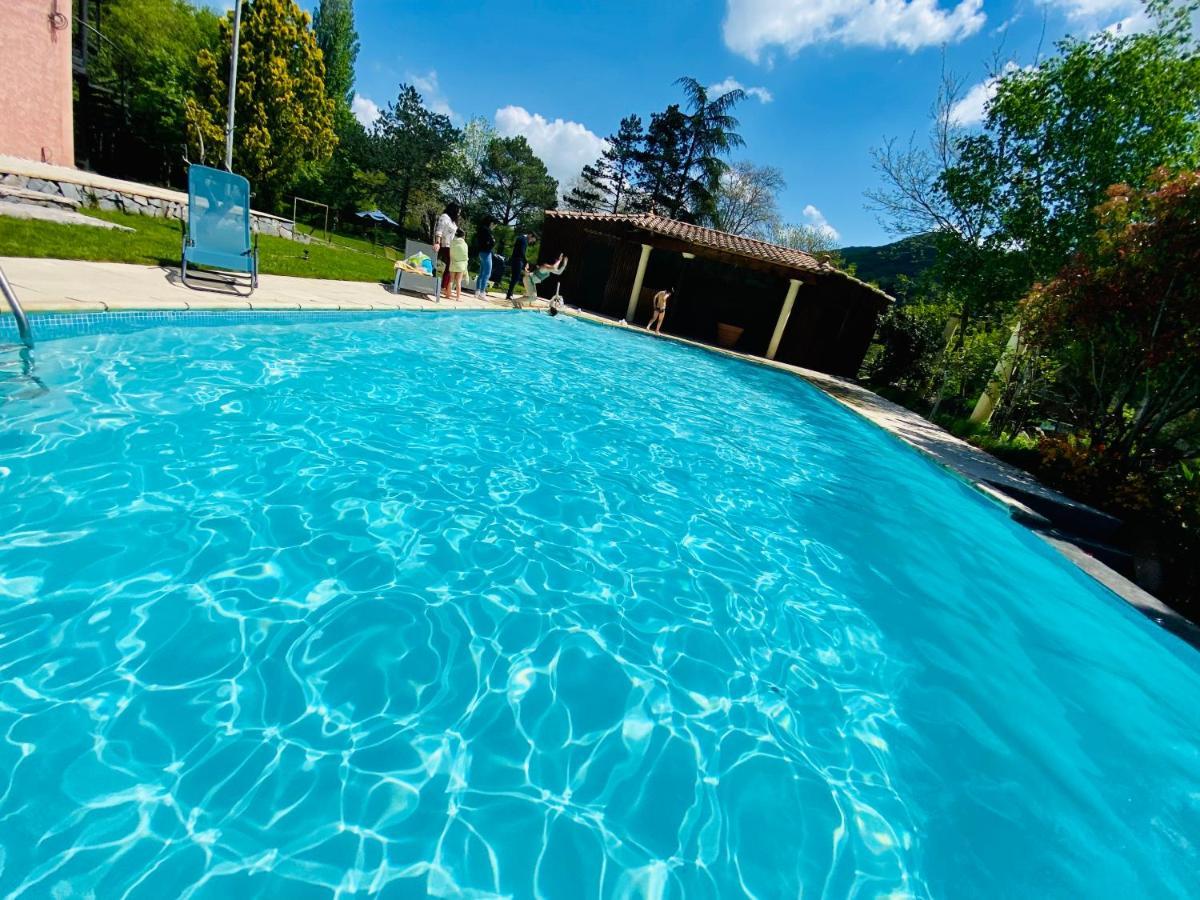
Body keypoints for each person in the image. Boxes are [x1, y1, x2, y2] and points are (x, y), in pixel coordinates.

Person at [431, 202, 459, 298]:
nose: (459, 213)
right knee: (443, 265)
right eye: (458, 210)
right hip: (443, 245)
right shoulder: (445, 217)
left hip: (450, 246)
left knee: (450, 267)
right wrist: (437, 242)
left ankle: (444, 287)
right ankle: (440, 285)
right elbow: (439, 230)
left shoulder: (453, 221)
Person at [473, 218, 496, 299]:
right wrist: (493, 241)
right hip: (486, 253)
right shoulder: (487, 231)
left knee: (481, 273)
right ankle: (482, 293)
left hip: (481, 252)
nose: (494, 227)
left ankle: (477, 291)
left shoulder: (481, 229)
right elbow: (491, 242)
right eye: (494, 225)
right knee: (487, 273)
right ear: (491, 223)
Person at [505, 231, 531, 302]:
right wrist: (526, 262)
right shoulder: (524, 240)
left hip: (515, 259)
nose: (530, 241)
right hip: (518, 260)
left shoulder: (520, 237)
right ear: (530, 235)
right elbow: (522, 252)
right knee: (515, 277)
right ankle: (509, 294)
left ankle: (509, 294)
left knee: (514, 277)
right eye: (531, 239)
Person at [449, 228, 470, 300]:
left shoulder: (452, 242)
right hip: (461, 264)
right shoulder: (465, 244)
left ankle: (448, 295)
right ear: (463, 236)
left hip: (453, 262)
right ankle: (458, 297)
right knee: (458, 281)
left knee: (451, 280)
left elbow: (451, 252)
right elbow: (465, 256)